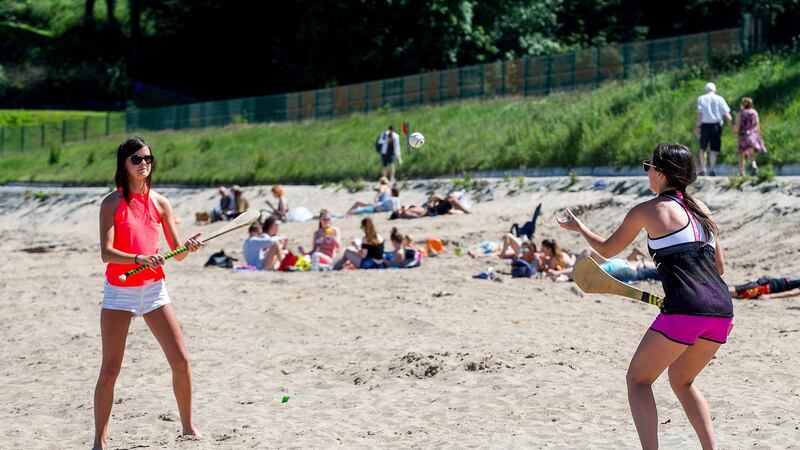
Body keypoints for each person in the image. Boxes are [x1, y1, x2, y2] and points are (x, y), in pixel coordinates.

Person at [557, 143, 733, 449]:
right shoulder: (702, 209)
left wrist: (580, 228)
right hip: (722, 313)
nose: (647, 172)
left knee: (638, 380)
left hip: (685, 310)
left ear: (661, 173)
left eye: (648, 166)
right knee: (682, 380)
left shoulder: (649, 210)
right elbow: (719, 267)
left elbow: (608, 250)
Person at [94, 137, 203, 449]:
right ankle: (99, 441)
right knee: (111, 369)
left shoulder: (160, 203)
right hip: (120, 291)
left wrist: (189, 247)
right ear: (124, 164)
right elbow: (107, 252)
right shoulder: (111, 203)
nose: (144, 164)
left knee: (181, 360)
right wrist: (138, 259)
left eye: (148, 159)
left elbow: (177, 253)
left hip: (154, 291)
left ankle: (187, 427)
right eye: (137, 159)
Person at [695, 82, 732, 176]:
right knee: (714, 148)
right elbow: (727, 115)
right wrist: (731, 125)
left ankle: (703, 169)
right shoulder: (720, 99)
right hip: (716, 125)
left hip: (704, 125)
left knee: (703, 148)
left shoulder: (701, 98)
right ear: (715, 90)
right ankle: (712, 169)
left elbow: (700, 114)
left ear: (705, 90)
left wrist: (697, 126)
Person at [732, 97, 767, 176]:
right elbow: (758, 126)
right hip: (752, 135)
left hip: (743, 135)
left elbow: (737, 127)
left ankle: (741, 172)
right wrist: (758, 135)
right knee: (751, 151)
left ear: (742, 104)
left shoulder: (740, 114)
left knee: (742, 153)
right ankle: (753, 164)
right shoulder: (754, 113)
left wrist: (734, 130)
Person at [730, 275, 800, 299]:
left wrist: (770, 296)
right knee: (735, 290)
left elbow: (792, 293)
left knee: (735, 292)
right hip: (766, 282)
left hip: (765, 289)